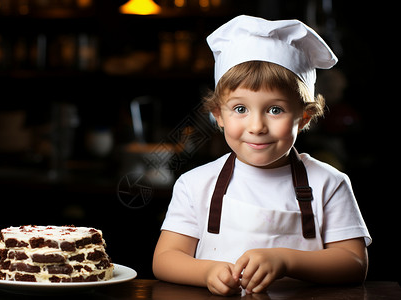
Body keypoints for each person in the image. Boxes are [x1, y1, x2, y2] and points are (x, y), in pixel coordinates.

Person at [152, 15, 371, 296]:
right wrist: (206, 271)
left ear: (303, 118)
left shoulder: (329, 183)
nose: (256, 127)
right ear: (218, 115)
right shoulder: (195, 184)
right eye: (240, 109)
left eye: (275, 109)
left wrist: (287, 260)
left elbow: (353, 263)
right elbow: (166, 259)